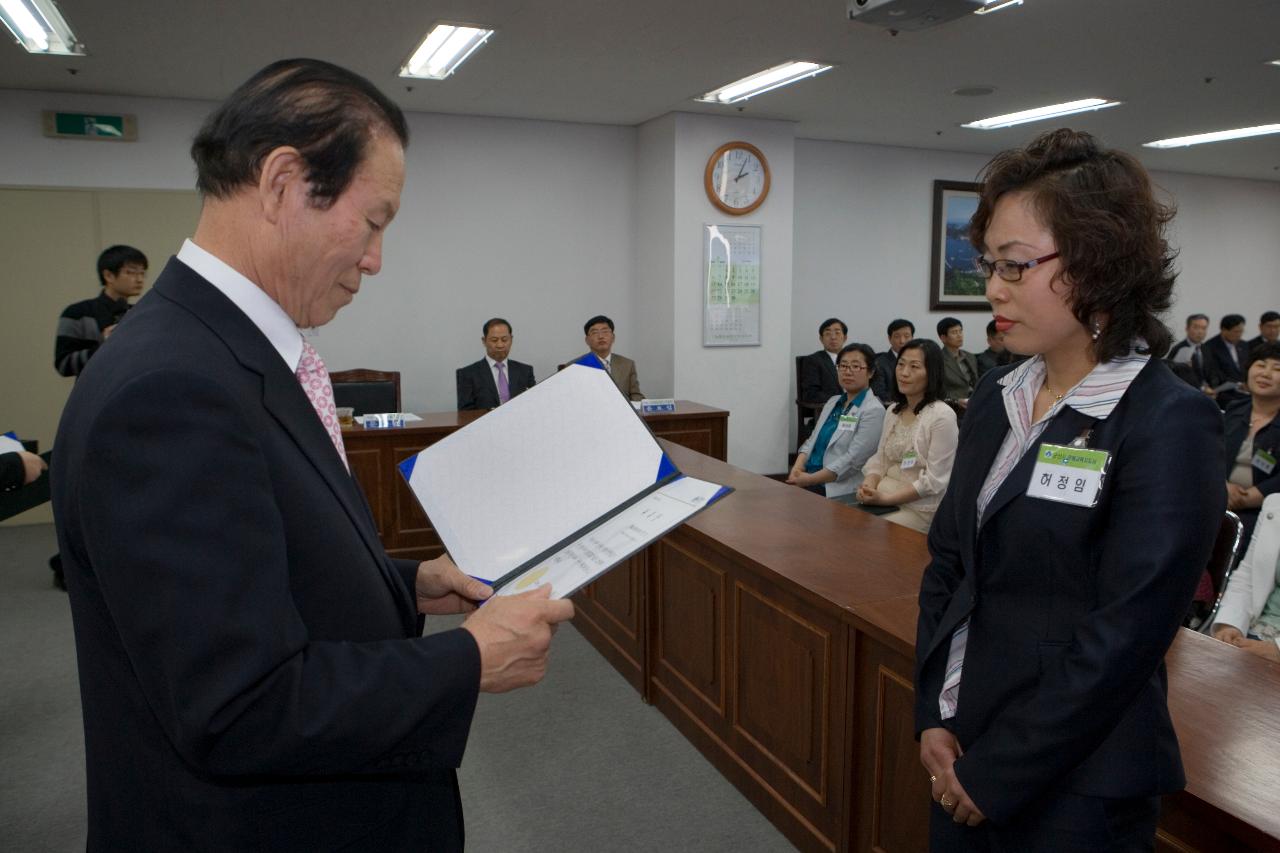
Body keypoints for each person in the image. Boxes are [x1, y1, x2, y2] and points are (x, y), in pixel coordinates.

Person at [50, 58, 574, 852]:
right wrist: (470, 659)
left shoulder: (228, 352)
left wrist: (406, 580)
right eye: (373, 222)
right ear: (284, 182)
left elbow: (256, 560)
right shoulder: (168, 389)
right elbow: (240, 706)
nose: (376, 259)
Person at [915, 128, 1223, 852]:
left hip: (1074, 786)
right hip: (959, 750)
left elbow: (1125, 637)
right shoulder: (997, 396)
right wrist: (934, 712)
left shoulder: (1168, 422)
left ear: (1097, 265)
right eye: (989, 264)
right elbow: (950, 565)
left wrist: (996, 772)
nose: (992, 288)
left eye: (1015, 267)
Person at [855, 339, 958, 533]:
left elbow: (935, 481)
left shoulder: (942, 415)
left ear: (932, 373)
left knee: (869, 532)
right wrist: (869, 484)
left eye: (914, 366)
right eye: (900, 364)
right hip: (882, 496)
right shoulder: (894, 410)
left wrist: (886, 500)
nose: (904, 373)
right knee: (845, 521)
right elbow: (880, 458)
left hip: (919, 506)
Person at [786, 343, 886, 504]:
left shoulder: (873, 410)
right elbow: (812, 440)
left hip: (835, 485)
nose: (847, 371)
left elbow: (853, 461)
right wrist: (797, 468)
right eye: (843, 366)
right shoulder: (833, 402)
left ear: (871, 372)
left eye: (856, 366)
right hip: (808, 477)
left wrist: (811, 480)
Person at [54, 244, 148, 377]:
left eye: (142, 273)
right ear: (109, 275)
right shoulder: (77, 313)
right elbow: (63, 365)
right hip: (94, 394)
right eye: (131, 272)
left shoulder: (141, 314)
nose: (139, 279)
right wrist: (104, 344)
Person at [1222, 341, 1280, 549]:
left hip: (1266, 513)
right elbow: (1210, 455)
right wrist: (1223, 487)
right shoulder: (1233, 410)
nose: (1266, 373)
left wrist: (1252, 497)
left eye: (1277, 369)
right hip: (1220, 500)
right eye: (1261, 365)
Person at [1211, 492, 1280, 662]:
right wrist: (1230, 626)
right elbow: (1248, 577)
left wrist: (1277, 650)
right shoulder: (1274, 503)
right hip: (1254, 633)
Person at [456, 317, 535, 410]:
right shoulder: (467, 374)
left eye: (504, 339)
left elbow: (534, 403)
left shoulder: (525, 371)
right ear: (484, 341)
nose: (500, 345)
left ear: (511, 339)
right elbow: (465, 413)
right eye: (494, 340)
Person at [577, 314, 643, 400]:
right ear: (587, 340)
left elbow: (636, 395)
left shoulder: (627, 365)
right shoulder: (576, 366)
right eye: (594, 333)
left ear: (613, 337)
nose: (601, 336)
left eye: (605, 331)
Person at [1204, 313, 1250, 408]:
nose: (1239, 335)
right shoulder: (1210, 347)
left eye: (1241, 331)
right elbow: (1214, 373)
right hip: (1224, 393)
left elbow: (1248, 367)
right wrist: (1239, 384)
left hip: (1246, 390)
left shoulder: (1244, 345)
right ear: (1224, 330)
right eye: (1236, 332)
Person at [1167, 313, 1213, 393]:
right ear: (1187, 328)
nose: (1200, 332)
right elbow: (1176, 376)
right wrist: (1202, 389)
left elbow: (1211, 372)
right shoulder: (1179, 349)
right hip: (1187, 392)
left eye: (1204, 328)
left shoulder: (1206, 348)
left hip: (1208, 391)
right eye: (1196, 327)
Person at [872, 318, 914, 404]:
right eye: (897, 336)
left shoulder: (919, 361)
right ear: (889, 338)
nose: (902, 341)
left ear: (912, 338)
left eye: (906, 336)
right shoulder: (879, 362)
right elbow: (879, 393)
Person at [937, 317, 979, 401]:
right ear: (943, 338)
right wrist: (956, 401)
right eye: (954, 332)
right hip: (953, 404)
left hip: (975, 399)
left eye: (960, 331)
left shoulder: (970, 356)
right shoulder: (938, 359)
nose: (959, 335)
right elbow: (937, 390)